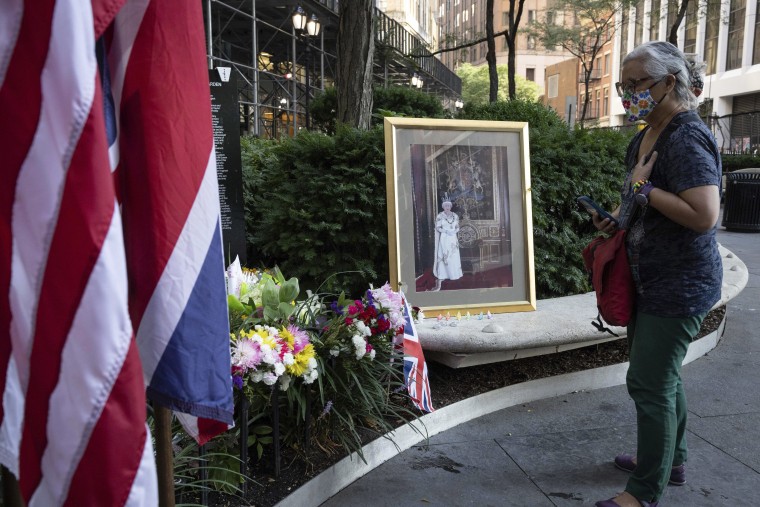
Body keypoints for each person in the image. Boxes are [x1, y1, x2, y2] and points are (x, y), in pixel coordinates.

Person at [591, 41, 722, 507]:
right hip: (646, 277)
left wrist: (643, 188)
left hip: (679, 282)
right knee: (663, 377)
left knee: (649, 383)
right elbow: (636, 197)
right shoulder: (646, 131)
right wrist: (615, 217)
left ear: (670, 82)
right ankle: (674, 460)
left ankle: (644, 492)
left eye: (637, 85)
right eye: (623, 86)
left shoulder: (685, 137)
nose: (629, 95)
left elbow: (705, 215)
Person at [432, 196, 463, 290]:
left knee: (453, 256)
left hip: (453, 238)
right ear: (443, 206)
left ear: (451, 206)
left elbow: (457, 227)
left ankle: (454, 274)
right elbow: (437, 227)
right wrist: (445, 231)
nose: (447, 207)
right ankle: (444, 274)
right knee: (445, 255)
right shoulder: (440, 216)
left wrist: (454, 232)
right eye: (445, 205)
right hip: (444, 238)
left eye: (448, 205)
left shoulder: (455, 216)